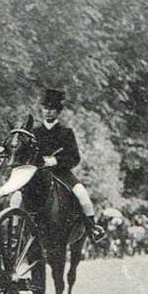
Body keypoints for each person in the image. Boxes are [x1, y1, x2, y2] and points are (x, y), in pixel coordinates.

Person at [34, 88, 106, 243]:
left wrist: (56, 161)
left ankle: (92, 228)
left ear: (58, 112)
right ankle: (14, 229)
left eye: (52, 109)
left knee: (82, 195)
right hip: (38, 174)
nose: (48, 112)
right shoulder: (35, 132)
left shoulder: (66, 132)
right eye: (45, 108)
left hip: (61, 174)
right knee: (18, 194)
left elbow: (74, 158)